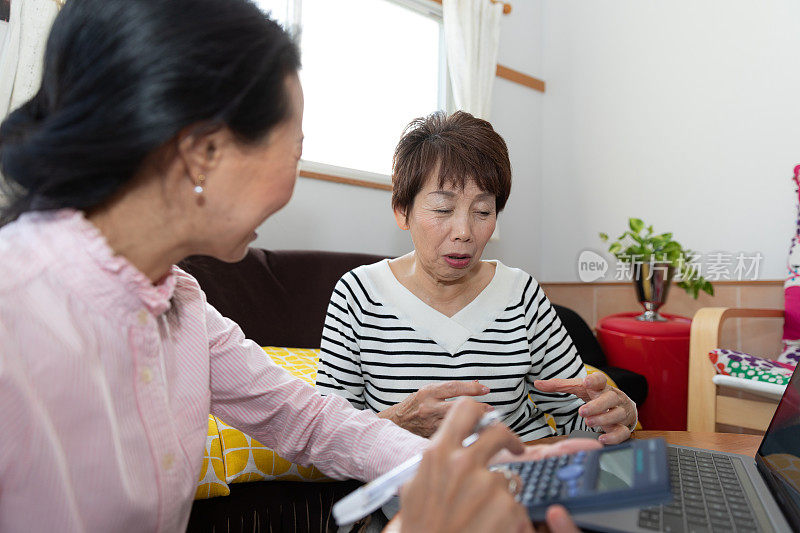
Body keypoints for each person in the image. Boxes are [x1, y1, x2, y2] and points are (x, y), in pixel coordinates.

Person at [0, 0, 599, 531]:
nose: (463, 230)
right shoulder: (15, 314)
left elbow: (309, 418)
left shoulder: (183, 306)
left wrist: (493, 467)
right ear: (204, 152)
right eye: (295, 149)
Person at [316, 111, 638, 445]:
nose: (464, 232)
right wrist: (397, 423)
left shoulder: (521, 294)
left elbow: (579, 419)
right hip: (415, 490)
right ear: (402, 210)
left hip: (521, 479)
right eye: (442, 209)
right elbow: (326, 440)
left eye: (483, 212)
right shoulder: (358, 294)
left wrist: (616, 416)